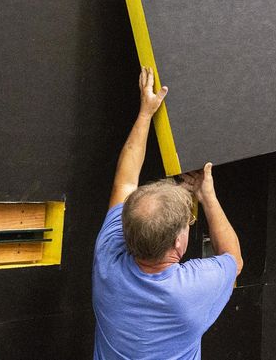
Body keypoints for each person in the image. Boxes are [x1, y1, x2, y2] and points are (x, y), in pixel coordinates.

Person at [92, 67, 243, 360]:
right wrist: (207, 196)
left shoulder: (108, 260)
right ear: (178, 243)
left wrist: (146, 114)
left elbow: (124, 182)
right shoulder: (189, 292)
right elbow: (234, 260)